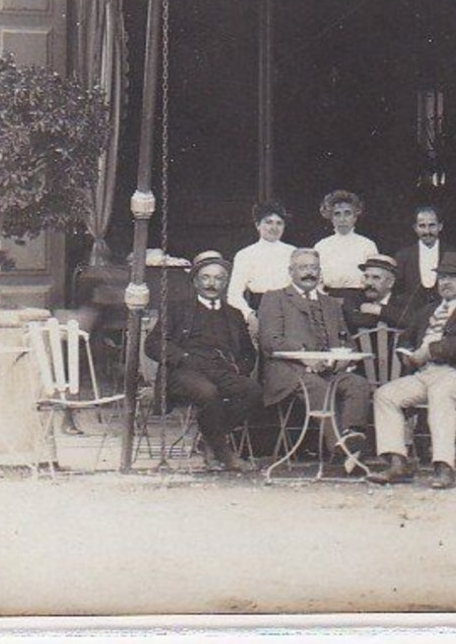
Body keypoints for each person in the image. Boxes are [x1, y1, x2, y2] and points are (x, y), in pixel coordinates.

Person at [367, 252, 456, 490]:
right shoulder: (428, 310)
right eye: (442, 277)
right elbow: (406, 339)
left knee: (441, 393)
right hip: (425, 373)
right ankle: (398, 463)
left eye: (452, 278)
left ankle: (444, 467)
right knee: (385, 394)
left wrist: (430, 351)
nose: (445, 283)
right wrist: (407, 355)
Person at [257, 248, 375, 475]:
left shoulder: (331, 303)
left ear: (320, 272)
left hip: (329, 371)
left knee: (357, 383)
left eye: (313, 268)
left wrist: (341, 360)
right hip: (290, 371)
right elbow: (270, 341)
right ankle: (343, 456)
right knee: (318, 387)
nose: (309, 273)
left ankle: (350, 441)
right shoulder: (275, 298)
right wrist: (305, 358)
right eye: (303, 267)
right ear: (290, 271)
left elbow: (347, 342)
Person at [144, 250, 259, 472]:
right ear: (196, 282)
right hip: (184, 372)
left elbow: (248, 353)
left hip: (222, 371)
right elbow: (153, 344)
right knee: (208, 392)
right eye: (206, 278)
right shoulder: (178, 309)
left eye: (218, 278)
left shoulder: (234, 314)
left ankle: (210, 440)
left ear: (225, 283)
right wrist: (182, 357)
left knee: (252, 390)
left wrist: (239, 370)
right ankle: (224, 454)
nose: (211, 284)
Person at [227, 201, 295, 334]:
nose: (274, 227)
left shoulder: (294, 253)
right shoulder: (245, 254)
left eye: (279, 223)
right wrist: (249, 315)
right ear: (258, 225)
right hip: (260, 311)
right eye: (268, 222)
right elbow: (233, 294)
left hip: (291, 311)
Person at [313, 190, 379, 305]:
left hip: (359, 300)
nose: (342, 219)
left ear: (355, 216)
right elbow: (316, 279)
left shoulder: (367, 245)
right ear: (331, 217)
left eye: (347, 213)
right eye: (337, 214)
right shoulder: (321, 246)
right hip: (329, 299)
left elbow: (374, 278)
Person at [394, 205, 447, 323]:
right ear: (415, 228)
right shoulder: (403, 256)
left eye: (432, 225)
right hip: (412, 320)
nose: (427, 231)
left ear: (440, 226)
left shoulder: (451, 253)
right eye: (422, 226)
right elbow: (398, 291)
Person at [342, 253, 406, 333]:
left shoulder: (403, 300)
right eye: (366, 277)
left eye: (376, 277)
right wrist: (390, 317)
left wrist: (378, 310)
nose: (369, 282)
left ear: (391, 283)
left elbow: (410, 321)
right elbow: (354, 320)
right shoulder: (354, 297)